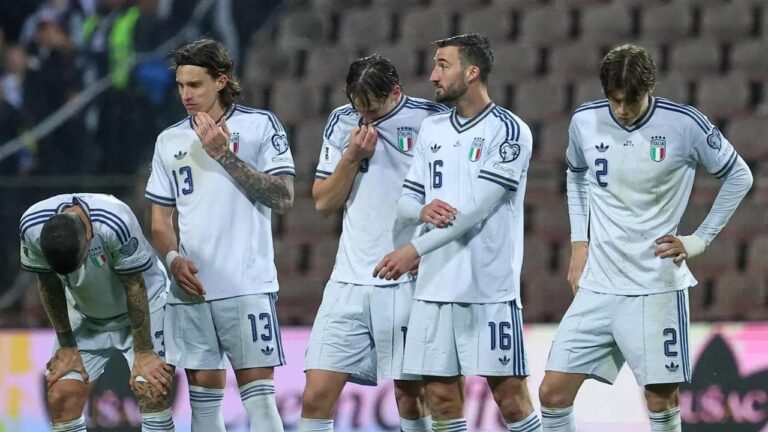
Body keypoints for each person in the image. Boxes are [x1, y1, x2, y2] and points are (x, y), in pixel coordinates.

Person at [538, 44, 754, 432]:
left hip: (656, 287)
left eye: (631, 100)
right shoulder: (584, 121)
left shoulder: (685, 124)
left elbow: (740, 176)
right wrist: (579, 244)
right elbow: (576, 174)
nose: (622, 109)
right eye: (614, 99)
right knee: (552, 393)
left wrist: (700, 238)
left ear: (649, 88)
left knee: (660, 399)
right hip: (599, 285)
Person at [374, 33, 542, 432]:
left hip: (489, 289)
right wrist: (421, 209)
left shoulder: (509, 131)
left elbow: (474, 212)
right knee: (442, 399)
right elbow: (404, 202)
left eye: (443, 65)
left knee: (511, 399)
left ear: (472, 72)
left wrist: (413, 250)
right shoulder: (432, 129)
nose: (433, 76)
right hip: (434, 289)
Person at [144, 38, 294, 432]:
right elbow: (160, 221)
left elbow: (283, 197)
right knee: (204, 406)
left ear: (221, 81)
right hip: (191, 290)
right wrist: (173, 261)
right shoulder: (169, 140)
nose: (186, 95)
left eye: (195, 85)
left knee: (260, 401)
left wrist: (224, 154)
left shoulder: (260, 125)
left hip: (247, 285)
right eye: (180, 85)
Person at [299, 54, 446, 432]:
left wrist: (427, 251)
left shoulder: (433, 121)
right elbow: (323, 202)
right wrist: (352, 156)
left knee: (410, 396)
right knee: (315, 396)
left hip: (407, 280)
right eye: (358, 107)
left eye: (373, 109)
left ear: (396, 92)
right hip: (347, 281)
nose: (364, 118)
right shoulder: (340, 121)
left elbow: (457, 199)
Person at [19, 193, 174, 432]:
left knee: (152, 389)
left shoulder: (115, 220)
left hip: (146, 303)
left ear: (89, 237)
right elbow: (48, 283)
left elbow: (134, 286)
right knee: (61, 396)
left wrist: (144, 352)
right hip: (85, 313)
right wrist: (67, 346)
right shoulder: (32, 226)